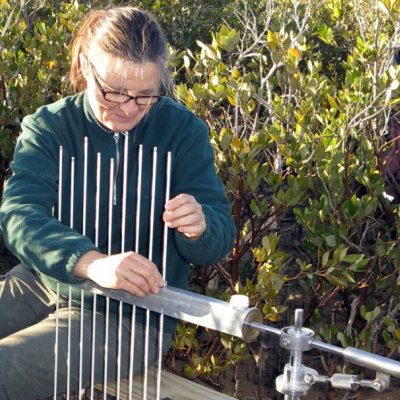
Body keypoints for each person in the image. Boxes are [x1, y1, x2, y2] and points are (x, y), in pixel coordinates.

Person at [0, 6, 235, 399]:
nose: (127, 107)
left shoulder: (183, 132)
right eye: (112, 92)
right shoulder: (49, 126)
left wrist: (201, 225)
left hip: (134, 315)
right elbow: (18, 216)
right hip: (44, 283)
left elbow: (220, 236)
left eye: (145, 96)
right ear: (85, 66)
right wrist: (93, 263)